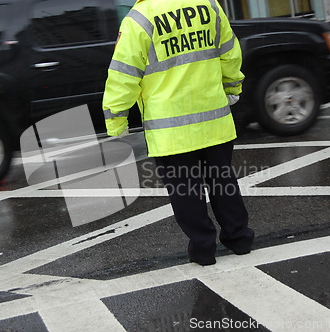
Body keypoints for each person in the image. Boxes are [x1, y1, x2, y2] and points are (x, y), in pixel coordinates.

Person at [102, 0, 254, 266]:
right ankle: (239, 239)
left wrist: (116, 118)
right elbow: (229, 53)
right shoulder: (209, 5)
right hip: (213, 118)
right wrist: (232, 88)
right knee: (223, 181)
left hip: (170, 129)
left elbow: (124, 73)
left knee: (186, 192)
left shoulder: (139, 19)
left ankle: (204, 249)